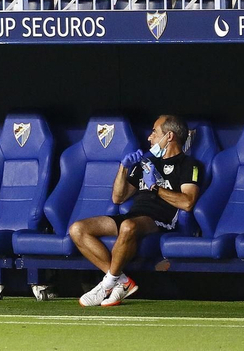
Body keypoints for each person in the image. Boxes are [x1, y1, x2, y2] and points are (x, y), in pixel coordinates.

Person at [70, 115, 201, 308]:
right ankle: (121, 281)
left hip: (160, 219)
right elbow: (118, 198)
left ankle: (106, 284)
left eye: (155, 132)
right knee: (77, 229)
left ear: (170, 136)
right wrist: (124, 167)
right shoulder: (147, 163)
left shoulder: (189, 165)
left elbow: (187, 202)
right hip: (132, 216)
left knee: (128, 226)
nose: (149, 137)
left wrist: (155, 188)